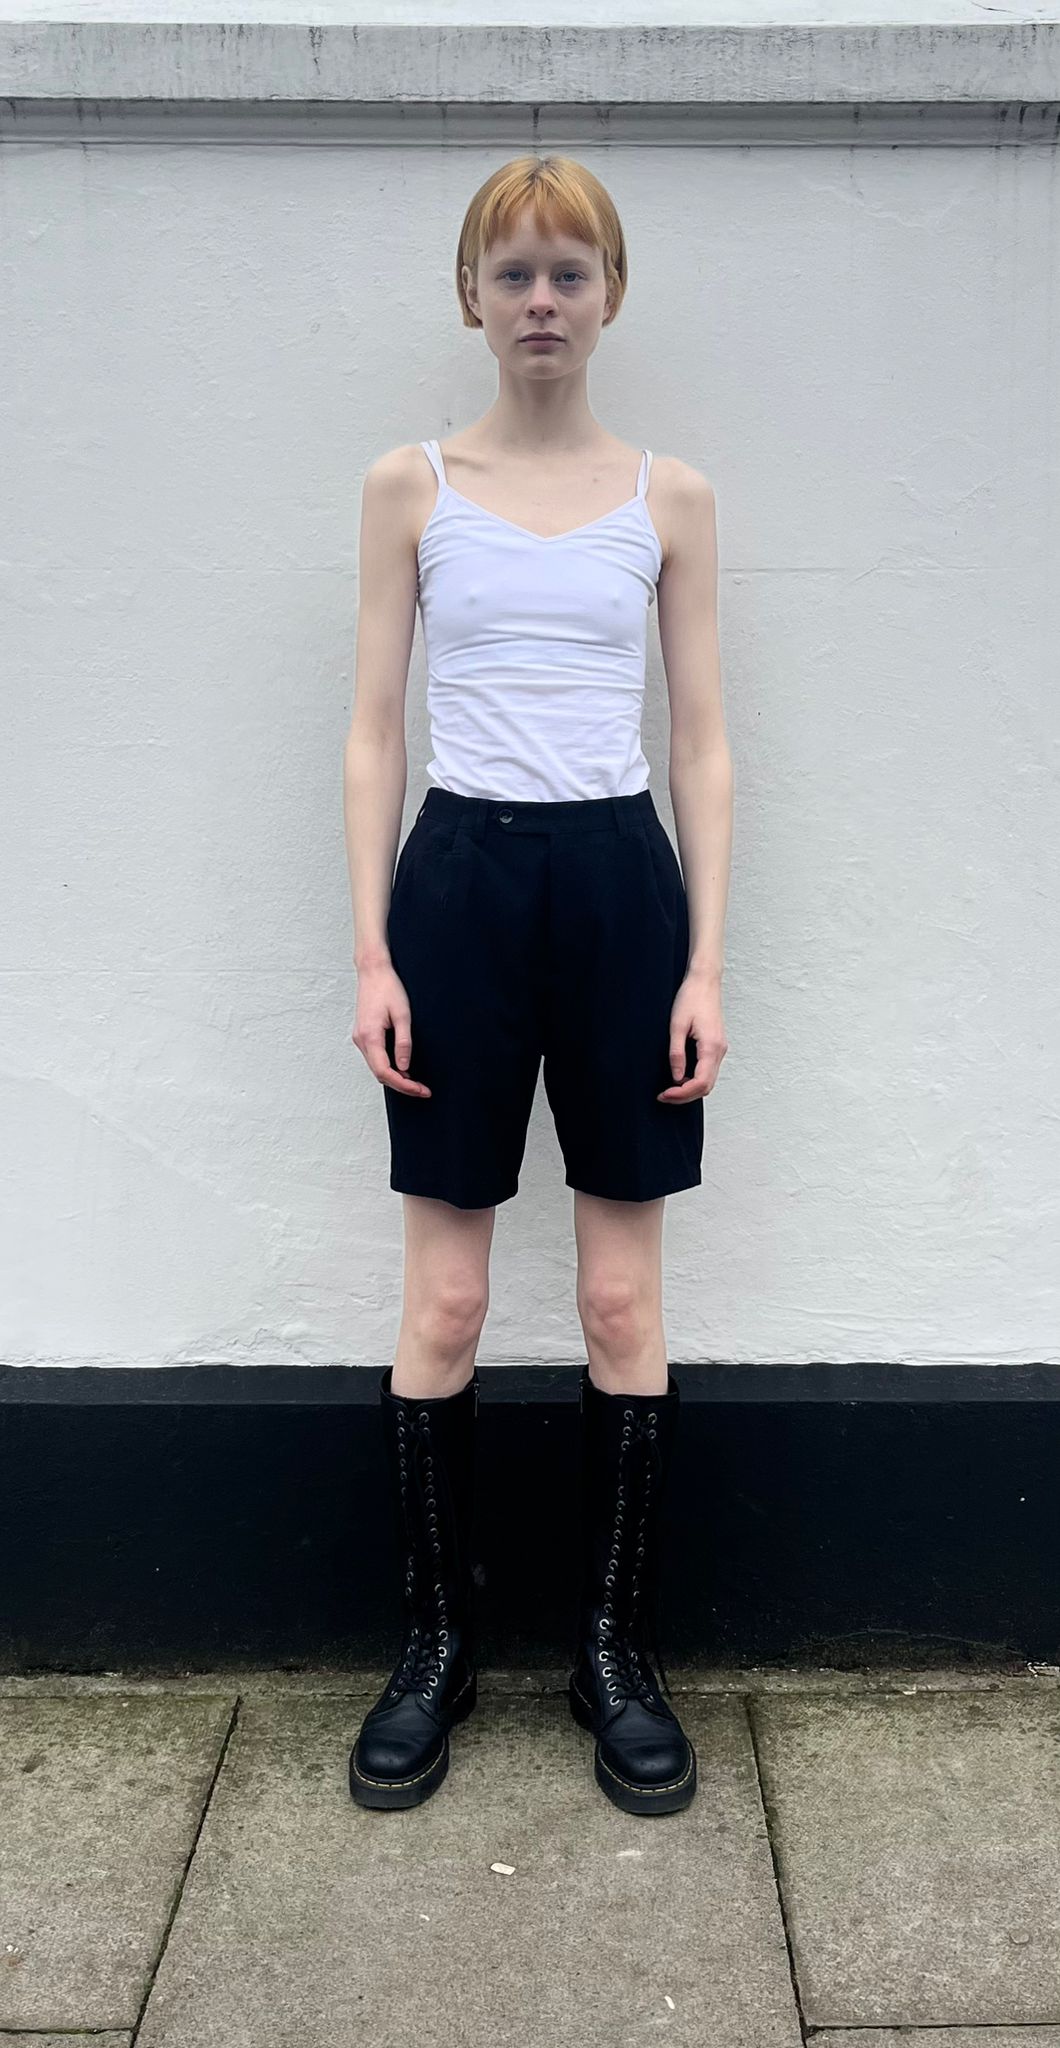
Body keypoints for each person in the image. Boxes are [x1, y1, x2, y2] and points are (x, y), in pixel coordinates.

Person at [343, 154, 732, 1818]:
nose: (543, 300)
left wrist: (704, 959)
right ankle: (436, 1646)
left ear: (612, 294)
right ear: (472, 298)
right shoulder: (411, 488)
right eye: (514, 274)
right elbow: (374, 731)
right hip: (460, 888)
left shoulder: (671, 498)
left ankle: (612, 1653)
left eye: (571, 271)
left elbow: (703, 743)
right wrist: (375, 948)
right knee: (443, 1302)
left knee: (622, 1303)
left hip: (621, 889)